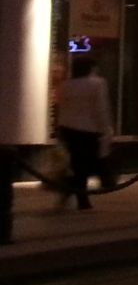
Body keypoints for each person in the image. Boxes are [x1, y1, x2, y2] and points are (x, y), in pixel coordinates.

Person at [54, 56, 115, 211]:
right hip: (88, 130)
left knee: (75, 164)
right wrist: (106, 129)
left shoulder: (66, 85)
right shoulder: (98, 83)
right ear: (91, 68)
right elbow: (101, 108)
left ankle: (75, 196)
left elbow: (61, 107)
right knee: (83, 166)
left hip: (67, 129)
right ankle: (78, 197)